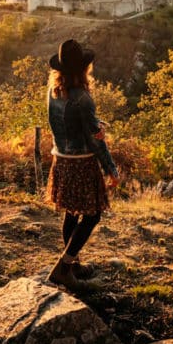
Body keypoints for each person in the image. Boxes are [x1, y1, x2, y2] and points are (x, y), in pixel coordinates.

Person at [45, 38, 119, 291]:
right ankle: (64, 267)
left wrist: (94, 125)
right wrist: (111, 169)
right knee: (92, 215)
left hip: (61, 160)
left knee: (71, 212)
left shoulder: (54, 92)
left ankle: (74, 264)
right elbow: (95, 142)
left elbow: (64, 124)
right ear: (84, 69)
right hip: (82, 163)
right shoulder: (84, 99)